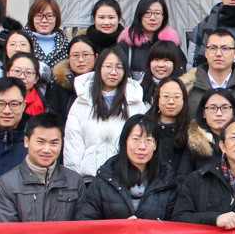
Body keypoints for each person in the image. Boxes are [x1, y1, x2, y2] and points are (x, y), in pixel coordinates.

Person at [64, 47, 147, 177]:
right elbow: (73, 144)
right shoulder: (82, 101)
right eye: (108, 66)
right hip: (89, 178)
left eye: (119, 67)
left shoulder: (135, 102)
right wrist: (74, 179)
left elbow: (142, 142)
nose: (113, 72)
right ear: (99, 68)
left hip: (125, 177)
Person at [181, 28, 235, 123]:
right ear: (206, 52)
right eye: (213, 48)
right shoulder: (188, 88)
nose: (218, 54)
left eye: (225, 48)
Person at [119, 0, 181, 81]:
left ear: (164, 16)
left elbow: (180, 71)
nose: (152, 18)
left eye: (157, 13)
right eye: (147, 13)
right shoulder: (127, 44)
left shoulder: (171, 43)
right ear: (139, 15)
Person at [44, 36, 97, 124]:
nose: (80, 60)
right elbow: (51, 117)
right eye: (75, 55)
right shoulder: (60, 84)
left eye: (86, 55)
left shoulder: (103, 83)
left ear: (96, 57)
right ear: (68, 58)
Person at [146, 76, 192, 177]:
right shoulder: (145, 127)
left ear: (184, 100)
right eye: (166, 96)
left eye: (176, 97)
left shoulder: (192, 131)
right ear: (157, 100)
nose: (171, 102)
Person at [184, 88, 235, 172]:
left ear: (233, 112)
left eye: (225, 108)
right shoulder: (193, 144)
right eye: (212, 108)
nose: (219, 114)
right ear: (203, 113)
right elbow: (183, 177)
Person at [24, 0, 69, 76]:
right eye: (39, 16)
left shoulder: (66, 45)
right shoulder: (21, 41)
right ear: (32, 18)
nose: (44, 20)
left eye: (49, 16)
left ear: (56, 18)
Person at [139, 39, 188, 104]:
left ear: (175, 63)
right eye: (156, 60)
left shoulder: (186, 89)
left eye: (166, 60)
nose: (160, 65)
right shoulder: (138, 90)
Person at [4, 52, 45, 116]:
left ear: (36, 78)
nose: (22, 77)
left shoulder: (44, 102)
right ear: (7, 73)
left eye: (28, 72)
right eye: (17, 71)